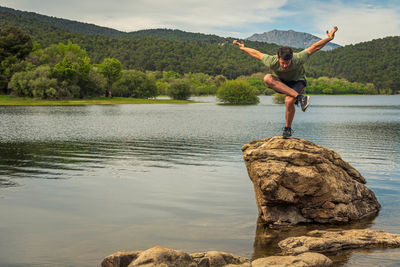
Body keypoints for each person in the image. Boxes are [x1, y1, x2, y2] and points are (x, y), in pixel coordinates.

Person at [233, 26, 338, 138]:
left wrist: (329, 38)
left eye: (287, 63)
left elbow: (315, 47)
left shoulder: (298, 58)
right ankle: (300, 98)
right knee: (267, 78)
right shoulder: (271, 61)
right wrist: (242, 48)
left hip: (298, 82)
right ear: (278, 58)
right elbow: (256, 53)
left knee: (288, 102)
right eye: (282, 63)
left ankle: (287, 130)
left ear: (291, 58)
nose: (285, 66)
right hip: (282, 83)